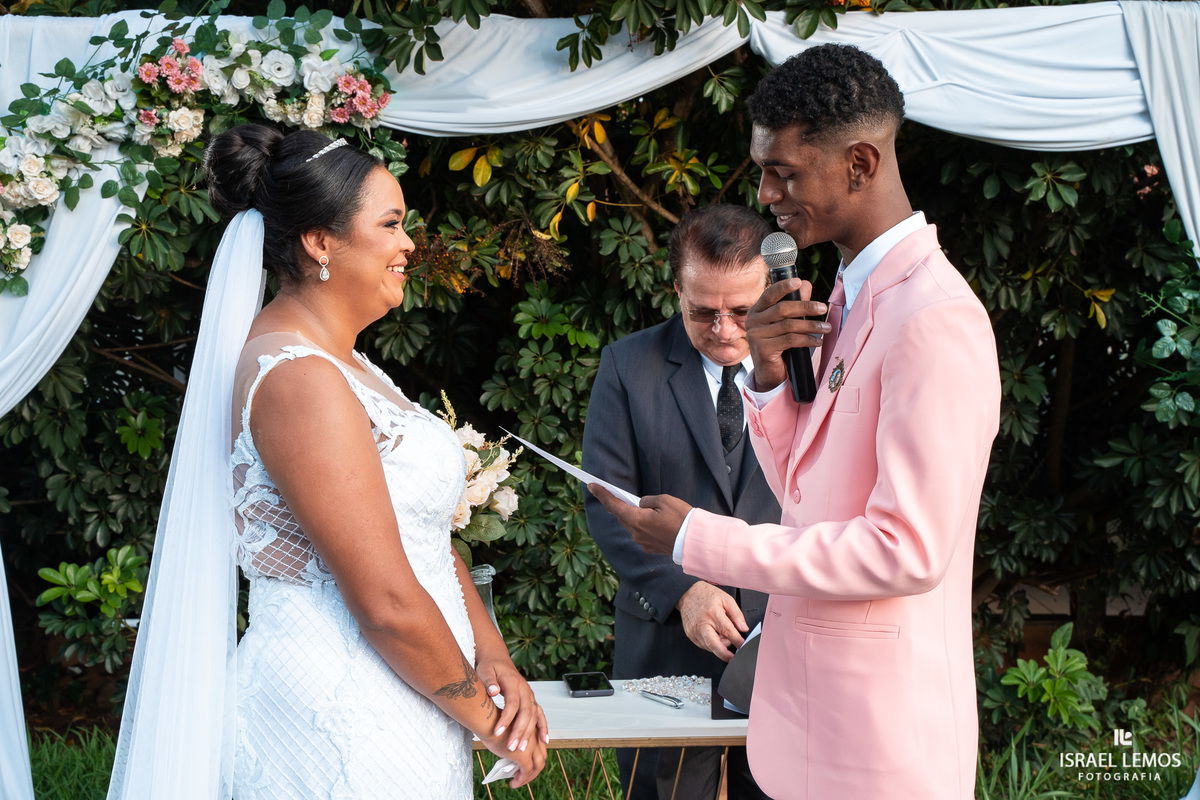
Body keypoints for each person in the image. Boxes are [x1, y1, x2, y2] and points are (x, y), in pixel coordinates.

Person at [590, 44, 1001, 800]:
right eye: (762, 170)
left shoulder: (933, 318)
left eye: (785, 171)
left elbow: (906, 549)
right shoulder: (846, 294)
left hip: (881, 735)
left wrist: (699, 539)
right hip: (807, 717)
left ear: (860, 163)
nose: (766, 192)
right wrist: (776, 386)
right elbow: (808, 492)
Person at [106, 125, 547, 799]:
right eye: (392, 224)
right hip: (338, 718)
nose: (408, 245)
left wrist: (492, 655)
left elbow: (420, 541)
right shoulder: (300, 381)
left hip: (406, 692)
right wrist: (492, 723)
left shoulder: (348, 364)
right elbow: (385, 601)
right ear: (320, 242)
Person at [582, 204, 779, 800]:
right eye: (702, 312)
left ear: (771, 286)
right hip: (663, 642)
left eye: (742, 311)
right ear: (676, 288)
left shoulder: (815, 369)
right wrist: (681, 591)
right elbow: (606, 504)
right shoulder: (626, 365)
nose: (723, 330)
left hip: (783, 642)